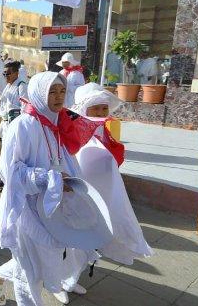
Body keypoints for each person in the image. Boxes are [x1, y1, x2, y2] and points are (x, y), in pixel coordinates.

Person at [0, 71, 96, 306]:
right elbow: (10, 172)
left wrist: (69, 183)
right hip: (24, 206)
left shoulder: (57, 126)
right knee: (30, 273)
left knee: (39, 261)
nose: (58, 97)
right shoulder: (22, 126)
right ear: (38, 93)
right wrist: (49, 179)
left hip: (50, 207)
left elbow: (64, 162)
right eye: (52, 92)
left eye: (62, 91)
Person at [71, 83, 153, 265]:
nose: (101, 113)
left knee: (94, 232)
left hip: (102, 191)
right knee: (77, 232)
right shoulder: (77, 130)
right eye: (96, 108)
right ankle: (66, 278)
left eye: (104, 108)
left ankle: (74, 274)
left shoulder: (102, 129)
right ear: (84, 108)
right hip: (82, 192)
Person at [0, 61, 28, 139]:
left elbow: (25, 108)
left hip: (16, 127)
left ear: (16, 73)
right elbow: (2, 105)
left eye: (8, 73)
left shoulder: (21, 86)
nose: (6, 76)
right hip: (6, 126)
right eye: (4, 74)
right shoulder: (8, 87)